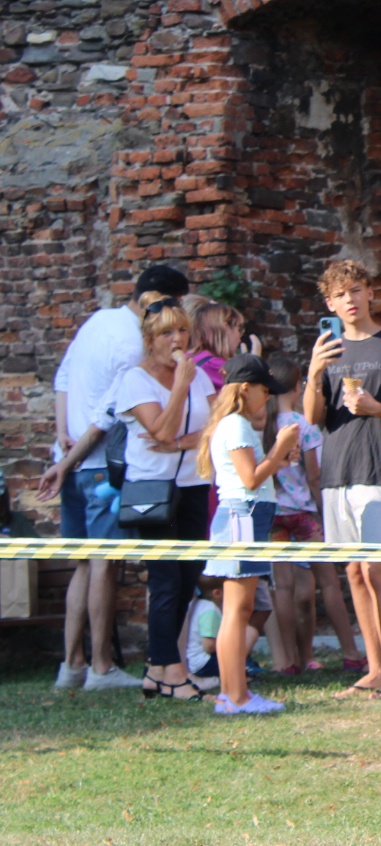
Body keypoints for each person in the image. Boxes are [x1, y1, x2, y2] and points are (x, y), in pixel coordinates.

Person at [38, 263, 189, 691]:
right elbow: (107, 415)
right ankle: (101, 668)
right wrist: (72, 456)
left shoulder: (98, 320)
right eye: (171, 305)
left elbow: (62, 377)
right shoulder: (133, 343)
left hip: (69, 455)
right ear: (153, 300)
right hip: (99, 464)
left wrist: (60, 437)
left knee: (83, 564)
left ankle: (71, 666)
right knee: (105, 563)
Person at [305, 259, 381, 700]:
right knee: (354, 571)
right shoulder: (328, 349)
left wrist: (376, 408)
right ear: (329, 303)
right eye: (340, 294)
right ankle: (374, 671)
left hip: (376, 469)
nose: (350, 300)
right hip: (336, 470)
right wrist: (315, 373)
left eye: (356, 290)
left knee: (377, 569)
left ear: (370, 293)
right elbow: (313, 418)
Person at [111, 293, 217, 700]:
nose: (177, 339)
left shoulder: (198, 374)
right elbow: (160, 431)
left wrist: (183, 444)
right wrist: (180, 388)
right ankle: (171, 670)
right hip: (151, 490)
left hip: (192, 485)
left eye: (182, 331)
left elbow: (218, 423)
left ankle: (158, 669)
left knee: (188, 577)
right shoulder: (135, 379)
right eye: (167, 332)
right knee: (166, 580)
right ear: (150, 339)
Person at [196, 353, 302, 713]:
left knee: (237, 612)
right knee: (237, 612)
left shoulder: (232, 424)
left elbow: (254, 474)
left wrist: (279, 458)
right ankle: (236, 696)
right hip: (243, 515)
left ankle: (232, 694)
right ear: (245, 388)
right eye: (263, 389)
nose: (268, 396)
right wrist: (280, 447)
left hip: (244, 515)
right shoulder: (236, 425)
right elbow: (251, 479)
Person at [264, 353, 360, 675]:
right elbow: (314, 475)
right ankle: (350, 652)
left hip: (274, 513)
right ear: (295, 387)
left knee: (284, 587)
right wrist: (324, 510)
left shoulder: (261, 425)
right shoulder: (301, 425)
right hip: (304, 513)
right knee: (329, 583)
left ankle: (289, 659)